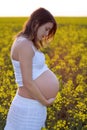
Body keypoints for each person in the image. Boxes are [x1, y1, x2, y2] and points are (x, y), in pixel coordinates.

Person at [4, 7, 59, 130]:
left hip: (32, 105)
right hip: (28, 108)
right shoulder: (24, 45)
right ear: (36, 23)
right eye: (46, 29)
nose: (46, 34)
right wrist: (45, 102)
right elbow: (27, 82)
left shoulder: (26, 42)